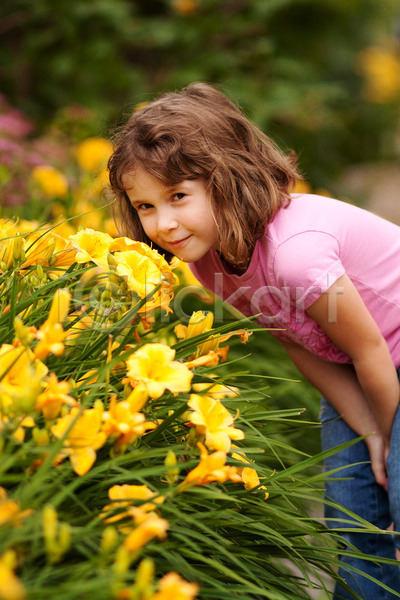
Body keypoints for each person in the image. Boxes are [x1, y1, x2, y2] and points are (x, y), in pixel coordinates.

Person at [108, 82, 400, 599]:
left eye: (178, 196)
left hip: (382, 360)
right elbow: (299, 343)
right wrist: (372, 436)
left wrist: (386, 433)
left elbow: (370, 350)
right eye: (147, 206)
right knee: (355, 526)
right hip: (359, 370)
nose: (164, 224)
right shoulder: (210, 264)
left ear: (227, 180)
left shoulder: (295, 254)